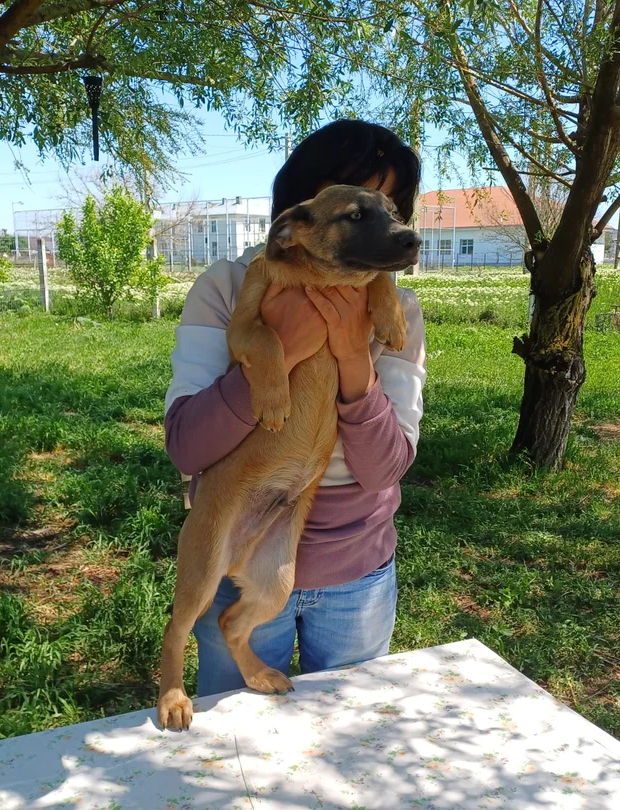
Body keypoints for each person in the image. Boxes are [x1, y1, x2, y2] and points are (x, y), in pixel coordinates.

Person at [163, 119, 427, 697]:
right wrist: (280, 358)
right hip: (238, 544)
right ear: (296, 219)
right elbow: (185, 445)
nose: (386, 226)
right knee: (234, 752)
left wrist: (354, 355)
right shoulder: (230, 286)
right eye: (354, 209)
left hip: (357, 573)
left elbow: (386, 469)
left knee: (351, 741)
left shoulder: (397, 309)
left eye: (389, 208)